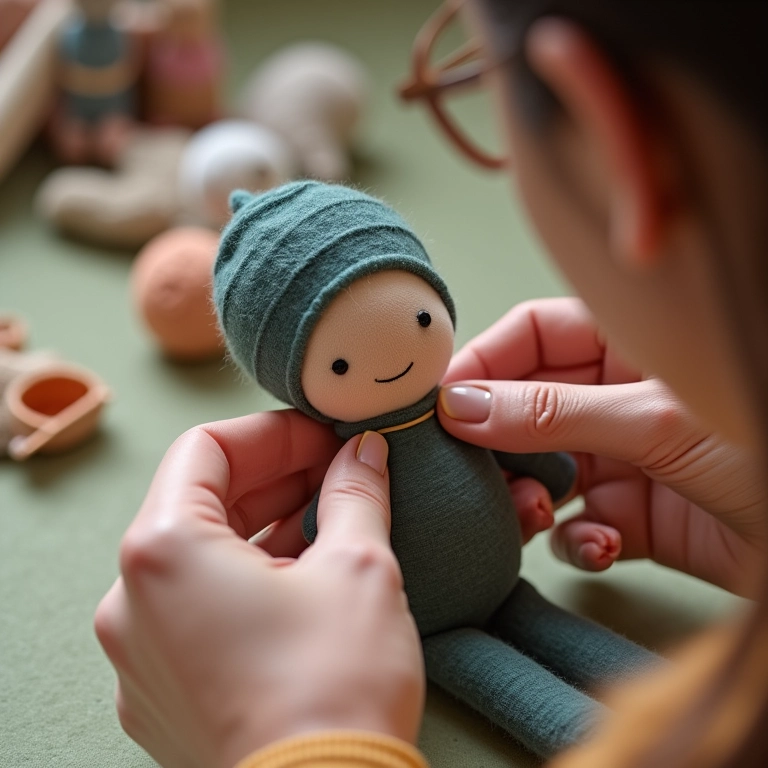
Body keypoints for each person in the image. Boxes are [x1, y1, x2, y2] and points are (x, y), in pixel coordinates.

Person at [93, 1, 768, 767]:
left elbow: (520, 463)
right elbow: (327, 530)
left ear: (608, 130)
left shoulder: (458, 414)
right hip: (430, 629)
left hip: (508, 584)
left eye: (420, 319)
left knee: (588, 654)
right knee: (536, 695)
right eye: (338, 366)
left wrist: (302, 744)